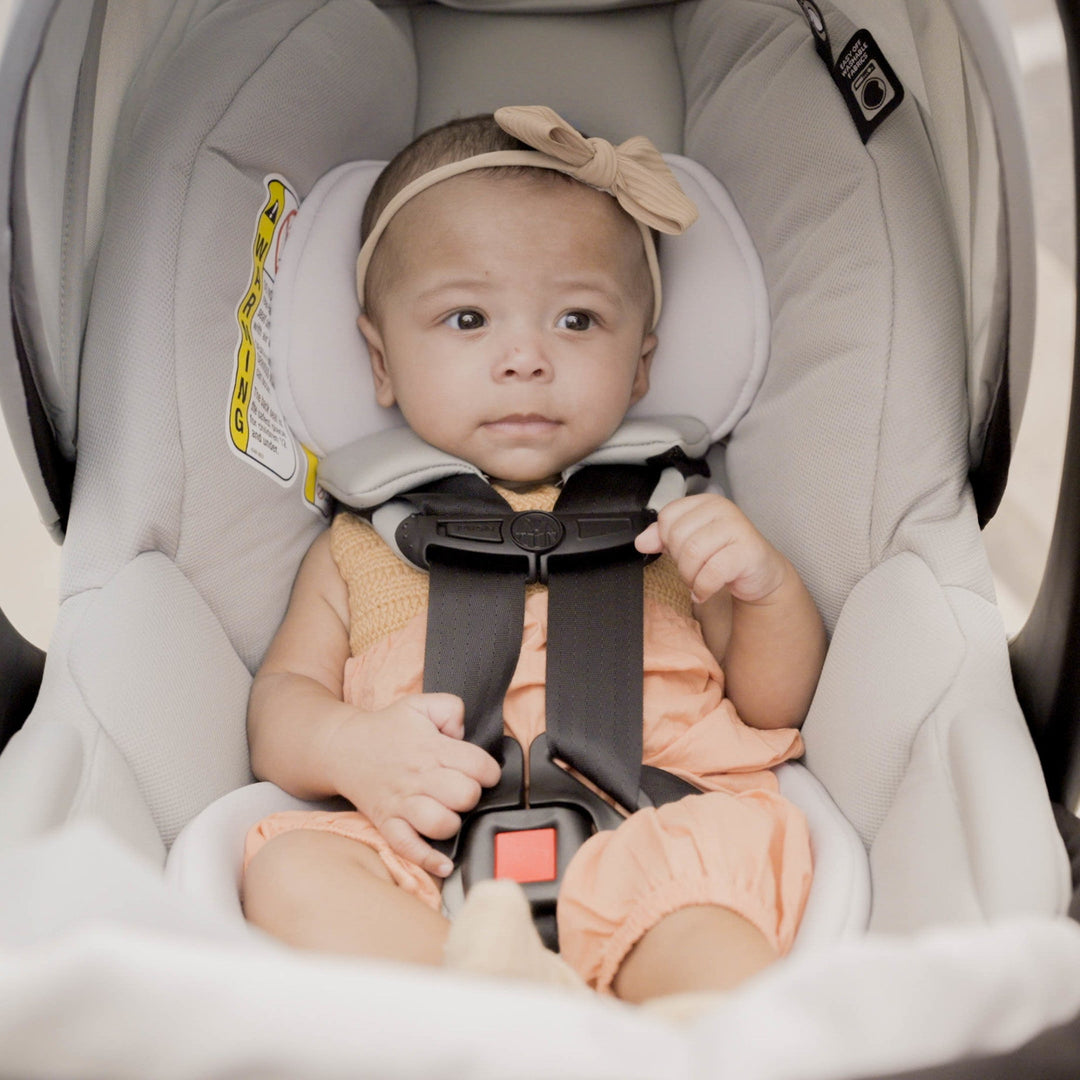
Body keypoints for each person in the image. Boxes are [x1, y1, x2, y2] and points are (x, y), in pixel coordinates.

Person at [241, 106, 827, 1004]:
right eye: (468, 317)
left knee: (709, 916)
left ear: (641, 364)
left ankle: (676, 1031)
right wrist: (351, 747)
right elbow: (282, 705)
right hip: (424, 854)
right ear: (381, 361)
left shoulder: (674, 521)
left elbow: (770, 702)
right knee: (290, 876)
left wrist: (767, 590)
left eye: (578, 320)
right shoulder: (360, 547)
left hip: (656, 827)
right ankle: (503, 1004)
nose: (525, 358)